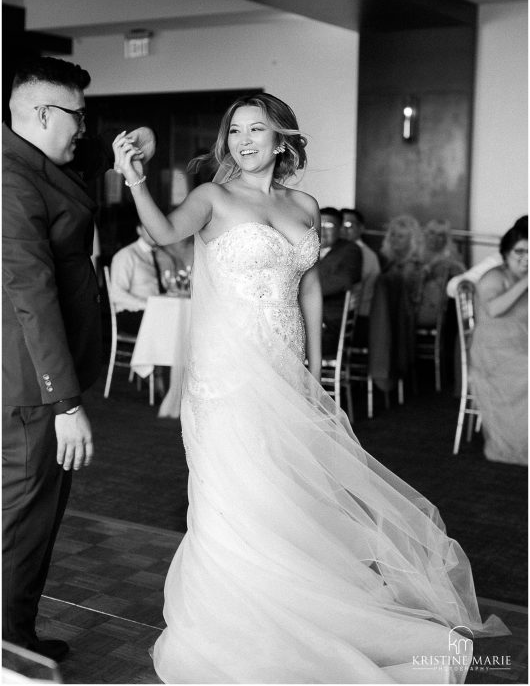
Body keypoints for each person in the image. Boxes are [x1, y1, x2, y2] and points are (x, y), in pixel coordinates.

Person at [113, 91, 505, 684]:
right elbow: (165, 233)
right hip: (229, 376)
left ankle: (305, 601)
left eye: (257, 129)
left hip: (285, 368)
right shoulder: (212, 196)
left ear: (282, 139)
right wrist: (133, 179)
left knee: (292, 492)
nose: (244, 140)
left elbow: (312, 289)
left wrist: (316, 377)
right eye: (235, 131)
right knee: (240, 495)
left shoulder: (303, 203)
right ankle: (243, 620)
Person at [2, 58, 97, 662]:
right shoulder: (10, 177)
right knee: (23, 522)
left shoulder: (27, 162)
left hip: (30, 376)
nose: (82, 129)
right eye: (77, 117)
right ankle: (9, 653)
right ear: (42, 114)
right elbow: (30, 292)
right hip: (32, 386)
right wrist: (64, 400)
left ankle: (17, 638)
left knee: (29, 517)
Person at [470, 222, 528, 465]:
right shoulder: (494, 277)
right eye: (520, 252)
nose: (526, 259)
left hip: (520, 348)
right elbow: (494, 309)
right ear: (506, 252)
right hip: (493, 355)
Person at [110, 224, 179, 335]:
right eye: (148, 227)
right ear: (139, 230)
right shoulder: (126, 255)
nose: (154, 231)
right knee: (169, 326)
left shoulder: (165, 257)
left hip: (160, 312)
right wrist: (148, 305)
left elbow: (172, 288)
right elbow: (116, 294)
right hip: (133, 313)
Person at [319, 207, 363, 355]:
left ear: (340, 229)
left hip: (330, 325)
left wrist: (304, 291)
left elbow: (344, 280)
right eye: (319, 224)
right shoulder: (309, 249)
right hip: (310, 320)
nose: (323, 230)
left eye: (329, 226)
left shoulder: (350, 250)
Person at [340, 207, 380, 342]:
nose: (343, 230)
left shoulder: (364, 254)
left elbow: (350, 287)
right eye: (341, 225)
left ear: (361, 228)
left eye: (349, 225)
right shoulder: (342, 251)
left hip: (357, 319)